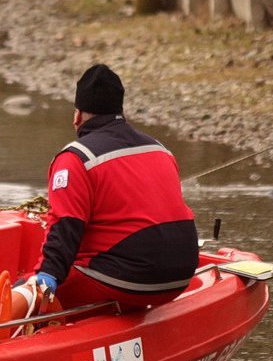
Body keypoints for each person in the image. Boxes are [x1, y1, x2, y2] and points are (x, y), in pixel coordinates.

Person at [23, 64, 199, 311]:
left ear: (77, 115)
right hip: (181, 274)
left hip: (125, 280)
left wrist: (47, 275)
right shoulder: (160, 149)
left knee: (21, 293)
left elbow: (66, 226)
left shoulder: (75, 159)